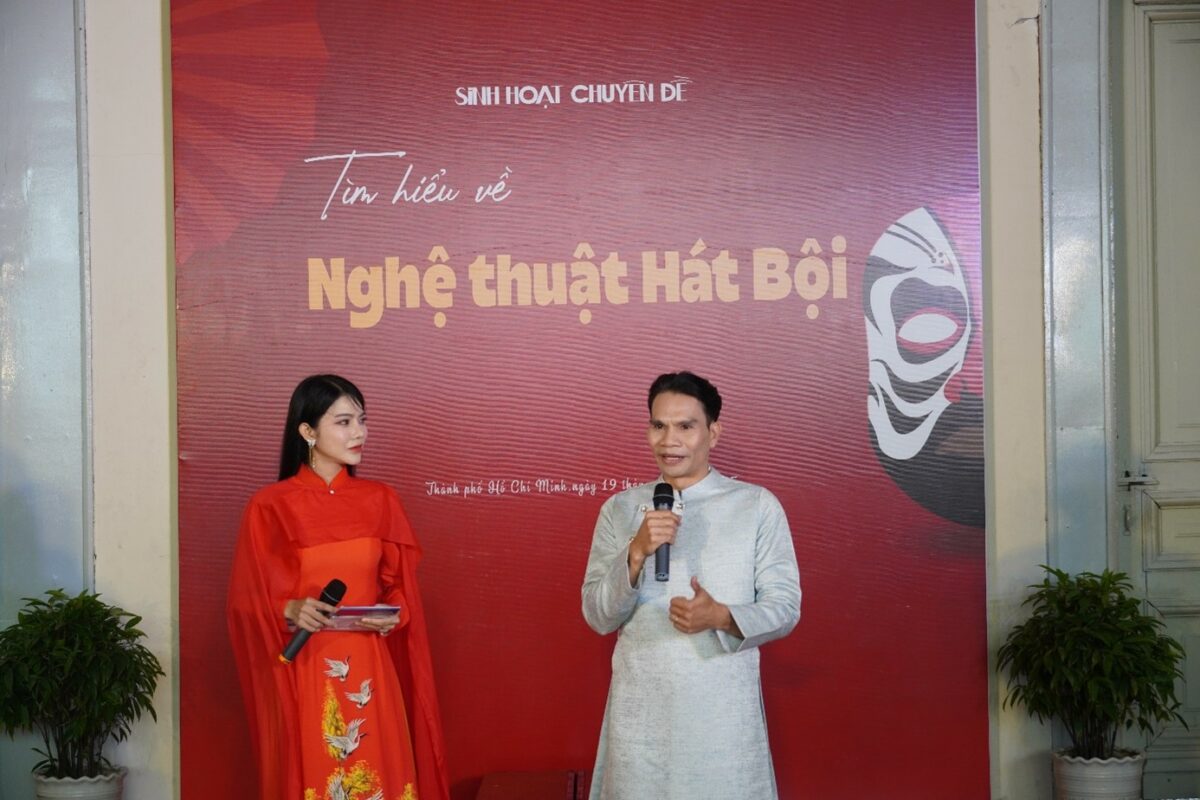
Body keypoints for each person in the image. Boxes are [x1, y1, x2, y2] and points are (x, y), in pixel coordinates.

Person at [227, 374, 449, 800]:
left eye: (362, 421)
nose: (359, 433)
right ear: (307, 431)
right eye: (344, 422)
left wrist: (395, 614)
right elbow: (244, 601)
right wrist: (288, 608)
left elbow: (396, 588)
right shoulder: (270, 506)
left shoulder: (380, 500)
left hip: (370, 664)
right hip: (307, 665)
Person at [581, 371, 801, 800]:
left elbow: (785, 608)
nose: (669, 441)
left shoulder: (755, 505)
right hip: (640, 718)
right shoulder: (620, 509)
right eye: (658, 425)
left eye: (685, 426)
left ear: (713, 433)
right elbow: (598, 615)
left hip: (722, 720)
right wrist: (636, 552)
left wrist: (721, 616)